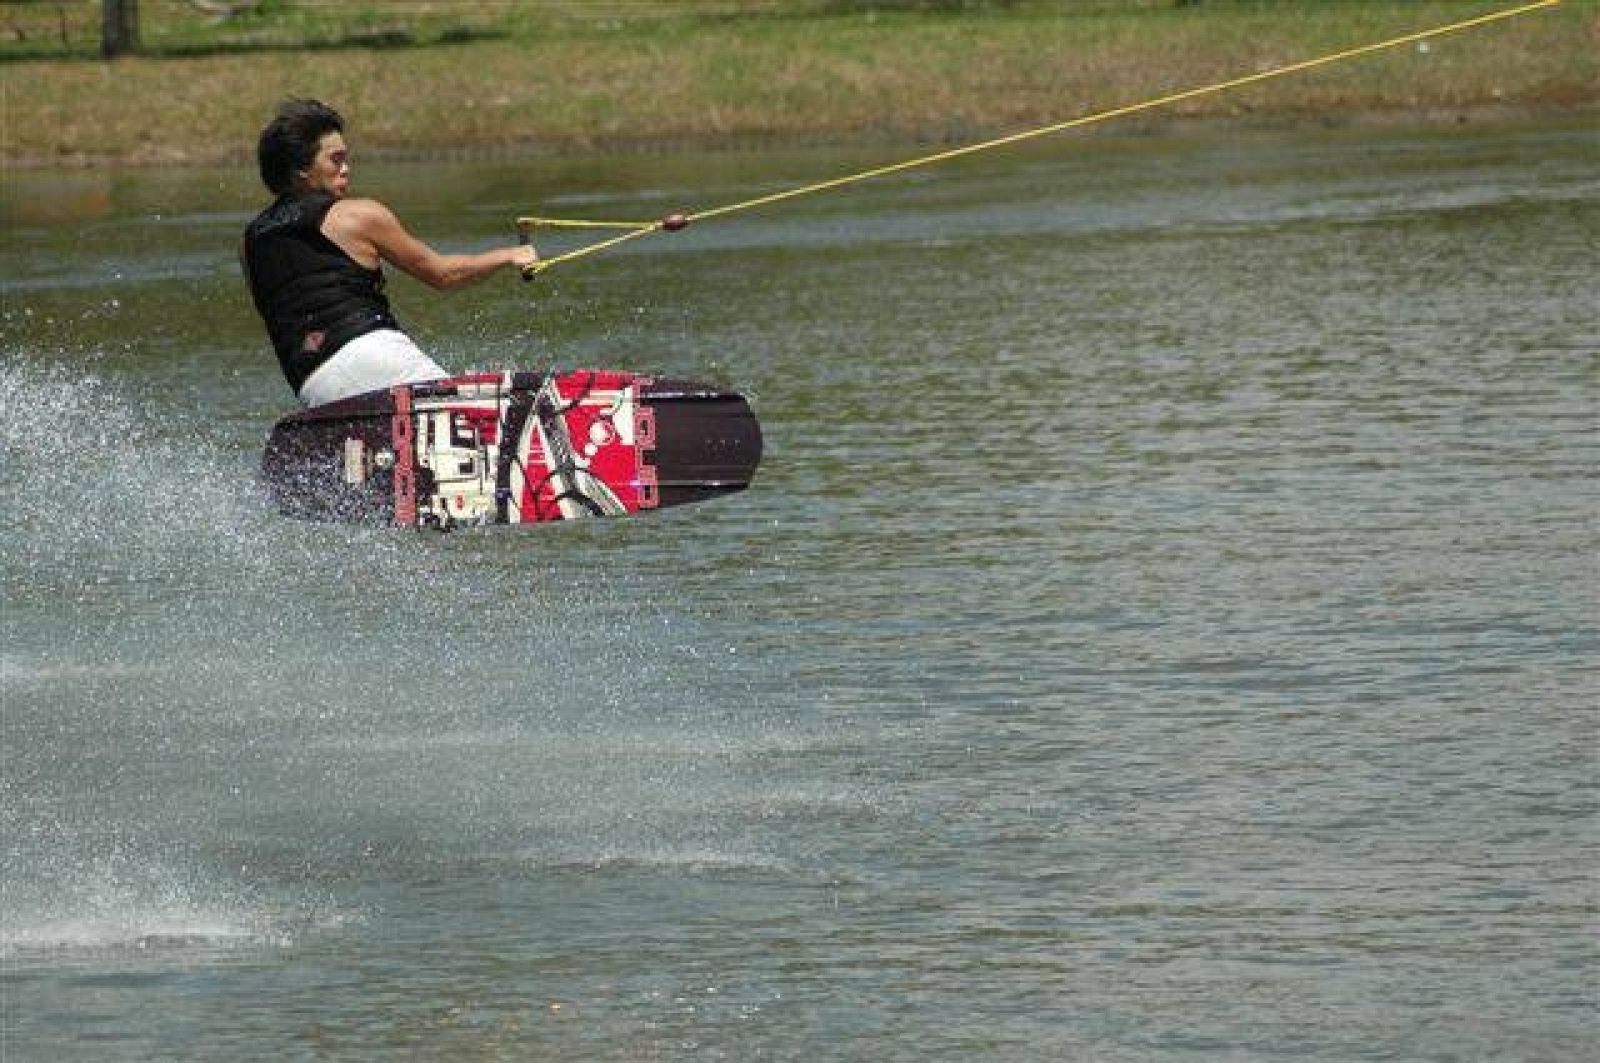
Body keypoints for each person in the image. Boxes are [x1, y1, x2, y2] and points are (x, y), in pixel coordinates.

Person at [242, 99, 537, 407]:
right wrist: (509, 255)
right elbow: (442, 274)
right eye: (336, 160)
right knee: (478, 421)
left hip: (312, 385)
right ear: (302, 169)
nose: (346, 169)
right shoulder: (355, 216)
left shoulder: (249, 242)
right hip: (372, 355)